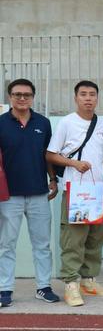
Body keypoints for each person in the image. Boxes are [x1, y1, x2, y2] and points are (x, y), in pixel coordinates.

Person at [46, 80, 103, 307]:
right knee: (73, 239)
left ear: (97, 98)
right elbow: (50, 155)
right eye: (83, 94)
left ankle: (88, 280)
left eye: (92, 94)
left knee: (96, 237)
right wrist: (74, 163)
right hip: (75, 191)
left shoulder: (102, 123)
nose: (88, 98)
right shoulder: (67, 122)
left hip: (98, 190)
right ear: (76, 98)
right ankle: (71, 284)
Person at [0, 79, 60, 307]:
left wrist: (53, 179)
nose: (22, 98)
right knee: (6, 245)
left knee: (42, 245)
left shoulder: (43, 123)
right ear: (10, 97)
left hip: (39, 193)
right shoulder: (1, 123)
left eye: (27, 94)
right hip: (9, 196)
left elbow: (48, 155)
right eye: (17, 94)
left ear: (33, 97)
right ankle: (4, 289)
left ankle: (44, 287)